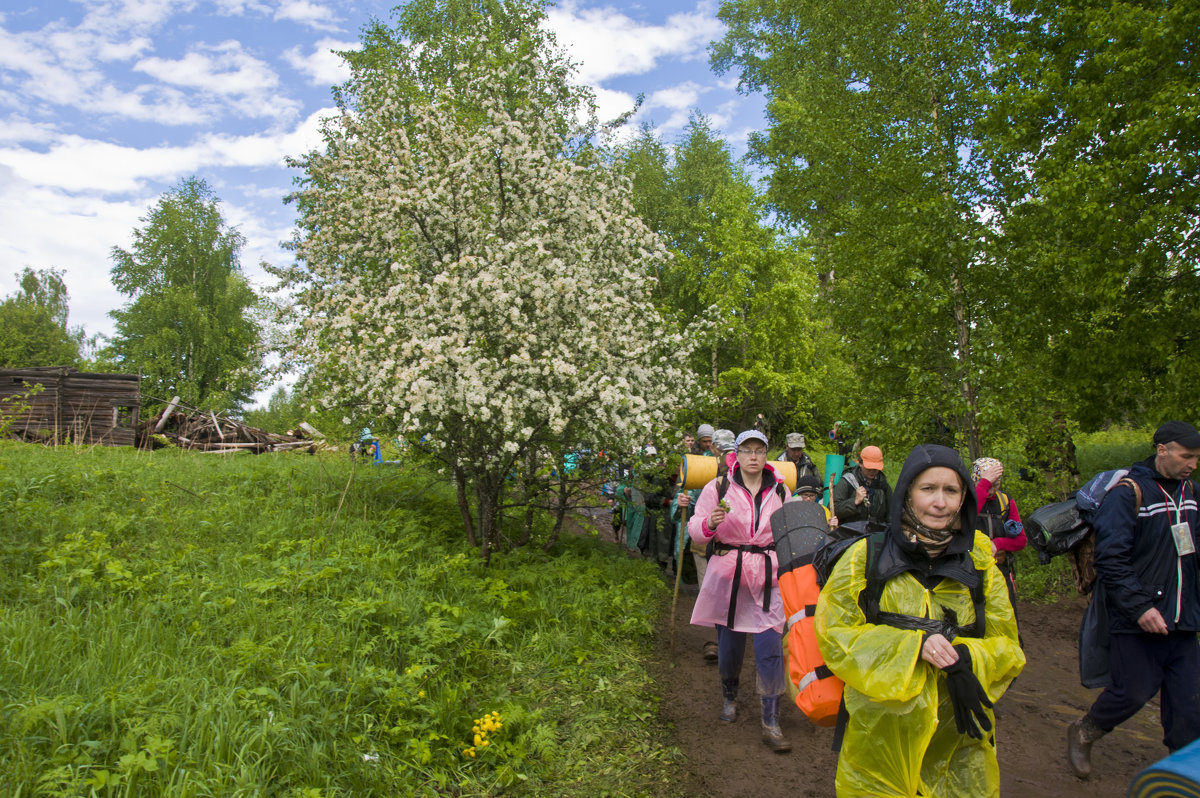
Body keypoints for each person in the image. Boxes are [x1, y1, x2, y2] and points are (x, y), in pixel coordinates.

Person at [815, 444, 1025, 796]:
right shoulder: (866, 557)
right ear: (908, 494)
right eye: (928, 489)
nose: (939, 502)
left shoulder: (982, 563)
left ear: (964, 499)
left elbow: (1009, 649)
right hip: (879, 744)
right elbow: (835, 635)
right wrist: (915, 646)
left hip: (958, 745)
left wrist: (971, 658)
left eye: (951, 490)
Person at [1067, 421, 1200, 779]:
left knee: (1190, 705)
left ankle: (1186, 775)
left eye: (1197, 458)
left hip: (1183, 618)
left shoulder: (1191, 493)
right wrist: (1140, 607)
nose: (1192, 464)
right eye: (1186, 456)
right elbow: (1109, 558)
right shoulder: (1129, 494)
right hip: (1136, 618)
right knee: (1132, 693)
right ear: (1162, 450)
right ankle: (1084, 731)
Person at [688, 430, 793, 753]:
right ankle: (730, 697)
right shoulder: (718, 487)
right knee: (729, 647)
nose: (753, 456)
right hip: (728, 576)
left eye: (759, 451)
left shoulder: (780, 489)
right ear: (737, 454)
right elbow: (696, 530)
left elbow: (790, 530)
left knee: (770, 648)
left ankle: (771, 720)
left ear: (766, 456)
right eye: (746, 450)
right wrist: (710, 523)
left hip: (767, 578)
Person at [675, 428, 735, 662]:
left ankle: (728, 638)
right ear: (711, 447)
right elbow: (682, 500)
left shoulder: (743, 470)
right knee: (709, 590)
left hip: (732, 542)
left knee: (729, 591)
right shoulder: (698, 467)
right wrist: (681, 503)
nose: (726, 454)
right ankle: (712, 640)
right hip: (705, 542)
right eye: (723, 448)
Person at [972, 457, 1027, 608]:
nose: (991, 490)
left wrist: (997, 544)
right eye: (988, 485)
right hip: (971, 574)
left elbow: (1021, 541)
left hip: (1000, 572)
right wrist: (984, 485)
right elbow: (966, 518)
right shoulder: (966, 499)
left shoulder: (1005, 501)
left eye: (996, 485)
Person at [833, 445, 892, 527]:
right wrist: (854, 502)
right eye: (869, 468)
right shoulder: (846, 482)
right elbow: (832, 510)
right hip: (849, 533)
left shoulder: (883, 485)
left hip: (876, 533)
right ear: (860, 463)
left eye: (875, 469)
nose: (872, 471)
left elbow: (891, 514)